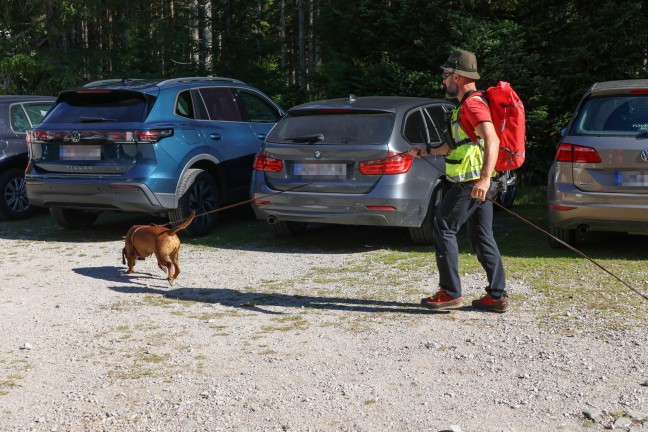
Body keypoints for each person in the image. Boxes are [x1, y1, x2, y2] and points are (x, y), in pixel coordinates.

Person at [408, 49, 508, 313]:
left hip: (472, 182)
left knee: (443, 225)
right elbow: (453, 146)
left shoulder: (473, 104)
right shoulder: (464, 107)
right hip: (476, 182)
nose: (443, 81)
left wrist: (485, 179)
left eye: (446, 75)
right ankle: (497, 296)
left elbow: (492, 139)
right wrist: (425, 150)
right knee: (481, 236)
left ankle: (450, 293)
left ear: (459, 76)